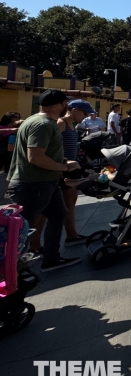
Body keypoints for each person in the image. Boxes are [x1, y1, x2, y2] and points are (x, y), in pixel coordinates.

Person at [6, 89, 81, 271]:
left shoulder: (34, 120)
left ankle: (51, 258)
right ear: (61, 105)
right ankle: (10, 269)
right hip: (34, 184)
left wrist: (64, 162)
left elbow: (40, 154)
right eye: (66, 104)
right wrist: (65, 168)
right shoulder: (44, 124)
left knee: (58, 215)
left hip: (46, 182)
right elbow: (36, 157)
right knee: (21, 227)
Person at [56, 99, 95, 247]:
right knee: (57, 207)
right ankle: (36, 245)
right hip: (62, 168)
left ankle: (72, 235)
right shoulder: (61, 123)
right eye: (85, 113)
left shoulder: (72, 125)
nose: (86, 116)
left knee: (71, 203)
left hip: (71, 168)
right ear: (75, 110)